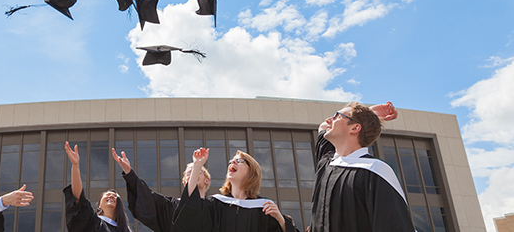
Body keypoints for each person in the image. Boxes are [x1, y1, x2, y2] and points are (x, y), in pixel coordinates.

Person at [309, 101, 414, 232]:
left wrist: (364, 116)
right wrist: (369, 114)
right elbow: (323, 126)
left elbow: (393, 226)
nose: (329, 119)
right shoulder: (327, 162)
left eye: (338, 116)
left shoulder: (376, 170)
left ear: (354, 128)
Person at [174, 149, 298, 232]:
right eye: (231, 161)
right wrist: (197, 166)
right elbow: (190, 208)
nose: (232, 162)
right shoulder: (215, 204)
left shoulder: (263, 208)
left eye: (239, 161)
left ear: (251, 172)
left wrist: (281, 220)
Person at [112, 149, 211, 232]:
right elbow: (146, 198)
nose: (193, 173)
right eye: (190, 172)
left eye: (198, 171)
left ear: (207, 180)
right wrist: (129, 173)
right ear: (185, 182)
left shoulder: (214, 207)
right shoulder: (169, 207)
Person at [64, 141, 133, 232]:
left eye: (115, 196)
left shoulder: (125, 230)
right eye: (107, 194)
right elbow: (78, 198)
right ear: (99, 205)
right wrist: (75, 165)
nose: (112, 196)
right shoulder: (92, 221)